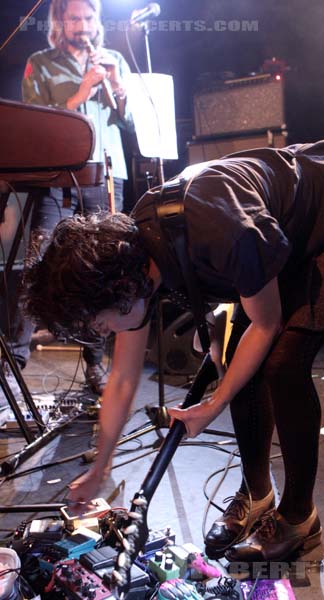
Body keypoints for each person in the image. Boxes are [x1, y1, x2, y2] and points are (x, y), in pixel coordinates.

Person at [21, 138, 324, 562]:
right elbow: (124, 380)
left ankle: (298, 520)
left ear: (123, 290)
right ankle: (258, 494)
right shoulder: (130, 259)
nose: (101, 329)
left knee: (282, 363)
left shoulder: (219, 232)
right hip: (292, 227)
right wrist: (100, 468)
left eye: (98, 321)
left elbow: (266, 321)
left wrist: (212, 404)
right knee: (243, 357)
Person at [4, 0, 133, 395]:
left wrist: (119, 93)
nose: (83, 24)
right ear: (60, 21)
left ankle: (95, 362)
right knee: (35, 262)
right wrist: (79, 96)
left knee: (101, 267)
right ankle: (14, 359)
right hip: (55, 178)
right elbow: (37, 126)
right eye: (74, 17)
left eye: (89, 17)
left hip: (104, 175)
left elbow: (128, 123)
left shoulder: (112, 60)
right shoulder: (39, 63)